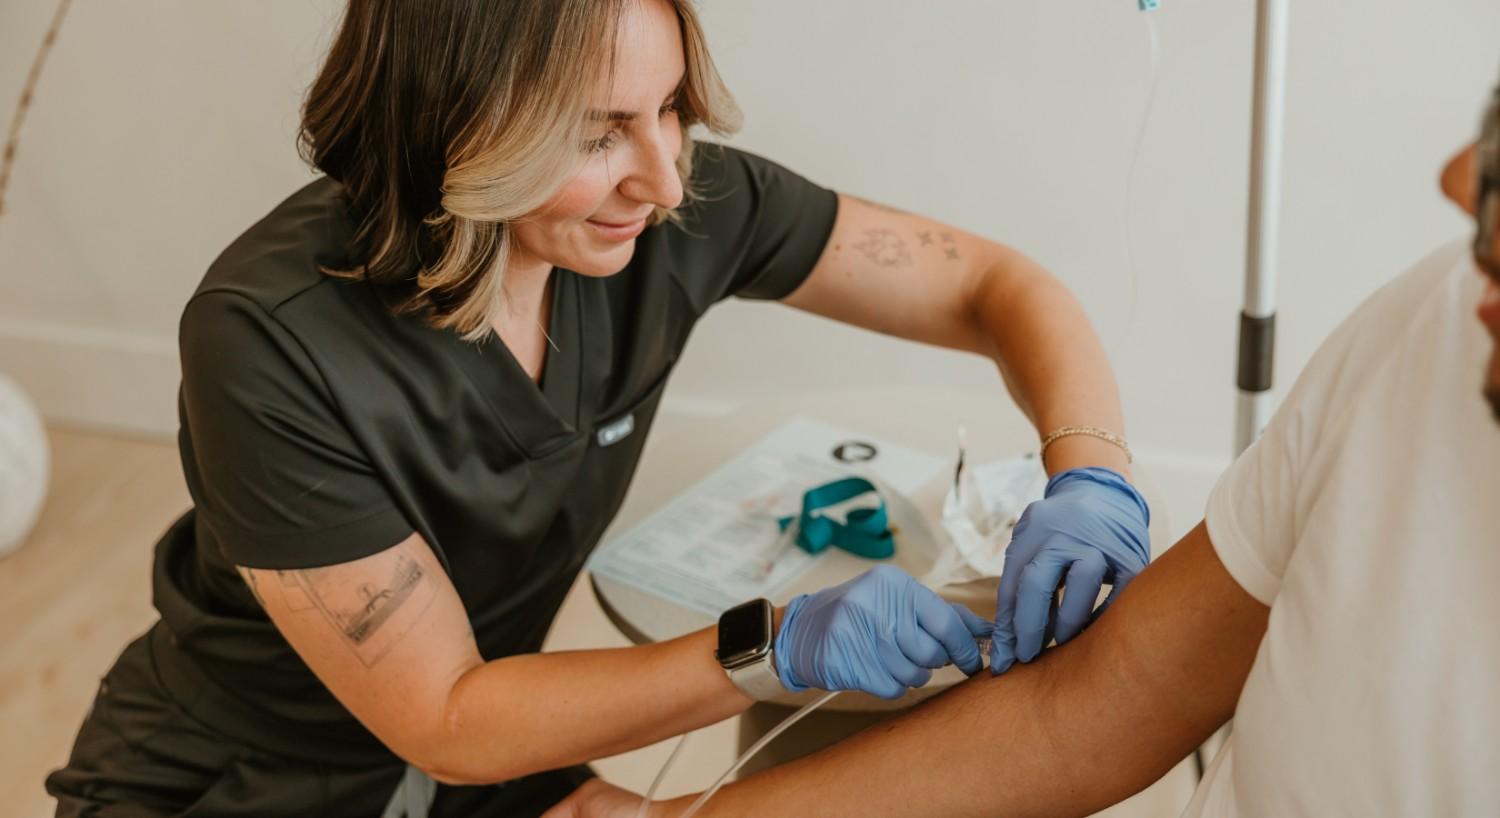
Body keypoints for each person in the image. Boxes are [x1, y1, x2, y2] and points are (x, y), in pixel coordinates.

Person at [44, 1, 1151, 816]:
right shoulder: (269, 340)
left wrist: (1093, 469)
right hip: (242, 777)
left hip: (493, 763)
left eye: (669, 107)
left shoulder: (669, 217)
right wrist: (773, 645)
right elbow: (448, 715)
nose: (665, 178)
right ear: (455, 123)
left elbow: (991, 286)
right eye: (596, 132)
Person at [545, 78, 1500, 818]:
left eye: (671, 109)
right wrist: (1091, 472)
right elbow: (1096, 704)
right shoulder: (1441, 314)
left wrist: (759, 657)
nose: (1458, 179)